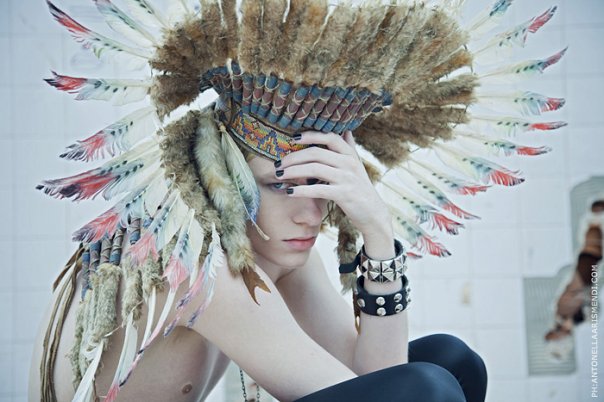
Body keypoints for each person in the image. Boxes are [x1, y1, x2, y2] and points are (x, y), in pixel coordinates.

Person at [28, 0, 565, 401]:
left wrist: (377, 231)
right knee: (429, 387)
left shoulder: (278, 251)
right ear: (224, 176)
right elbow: (399, 392)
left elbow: (375, 377)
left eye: (320, 189)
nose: (311, 215)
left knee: (452, 360)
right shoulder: (195, 261)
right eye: (280, 185)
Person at [544, 199, 603, 342]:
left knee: (592, 250)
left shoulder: (561, 312)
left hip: (585, 269)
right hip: (586, 272)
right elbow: (593, 310)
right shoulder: (576, 319)